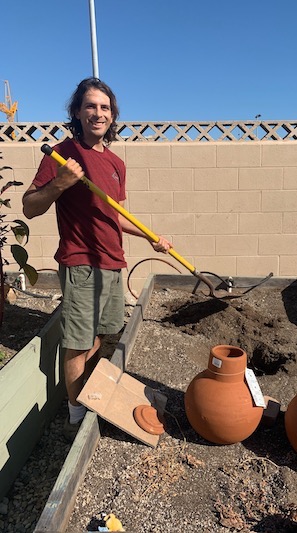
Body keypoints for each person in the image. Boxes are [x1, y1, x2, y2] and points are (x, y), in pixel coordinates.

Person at [22, 77, 172, 441]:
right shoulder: (63, 154)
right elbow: (29, 207)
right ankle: (74, 417)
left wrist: (150, 236)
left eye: (105, 107)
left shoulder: (116, 163)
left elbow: (115, 215)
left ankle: (91, 392)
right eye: (90, 106)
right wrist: (59, 184)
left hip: (112, 262)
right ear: (77, 111)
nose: (98, 113)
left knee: (104, 333)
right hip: (80, 262)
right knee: (76, 340)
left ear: (112, 114)